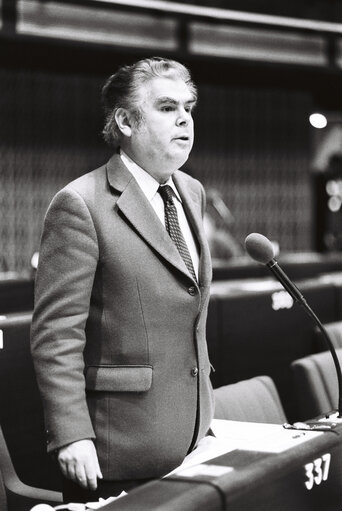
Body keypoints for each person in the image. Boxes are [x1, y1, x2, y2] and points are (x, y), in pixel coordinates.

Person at [30, 56, 214, 503]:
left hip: (194, 437)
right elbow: (57, 335)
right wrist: (72, 435)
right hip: (120, 447)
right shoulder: (80, 204)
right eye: (167, 108)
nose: (185, 119)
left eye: (189, 107)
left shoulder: (191, 191)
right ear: (126, 122)